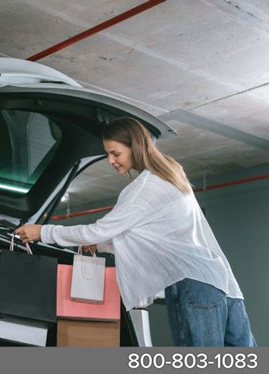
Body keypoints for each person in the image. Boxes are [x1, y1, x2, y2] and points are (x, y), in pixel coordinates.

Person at [14, 117, 256, 347]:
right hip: (221, 281)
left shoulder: (145, 188)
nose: (110, 160)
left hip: (192, 284)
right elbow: (152, 237)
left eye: (115, 153)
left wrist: (43, 232)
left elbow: (96, 230)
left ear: (136, 147)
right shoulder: (170, 174)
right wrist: (100, 247)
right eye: (108, 154)